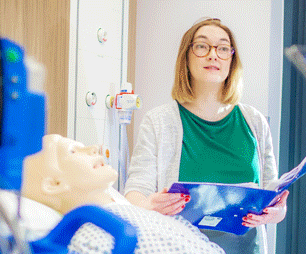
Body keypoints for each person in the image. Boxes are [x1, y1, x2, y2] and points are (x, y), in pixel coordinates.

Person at [122, 18, 287, 254]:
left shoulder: (255, 122)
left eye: (222, 48)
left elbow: (273, 196)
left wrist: (277, 212)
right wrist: (148, 203)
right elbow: (135, 192)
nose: (213, 55)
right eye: (202, 46)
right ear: (186, 57)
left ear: (232, 59)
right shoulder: (158, 122)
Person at [22, 134, 225, 253]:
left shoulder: (149, 217)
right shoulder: (91, 238)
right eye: (74, 151)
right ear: (54, 183)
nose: (94, 148)